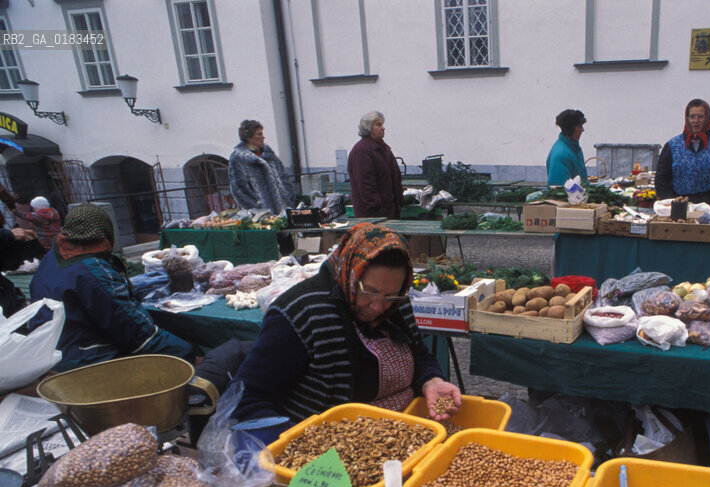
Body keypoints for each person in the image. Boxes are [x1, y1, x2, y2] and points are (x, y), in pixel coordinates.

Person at [232, 222, 461, 434]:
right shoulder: (300, 313)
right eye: (368, 291)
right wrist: (295, 444)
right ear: (349, 271)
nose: (378, 306)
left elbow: (421, 354)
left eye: (391, 296)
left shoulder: (396, 303)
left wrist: (432, 380)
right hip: (327, 450)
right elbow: (246, 397)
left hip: (407, 430)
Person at [29, 203, 195, 372]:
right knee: (183, 354)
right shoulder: (95, 272)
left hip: (45, 351)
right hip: (82, 360)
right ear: (106, 234)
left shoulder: (52, 256)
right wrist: (186, 351)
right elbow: (135, 334)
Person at [655, 99, 710, 204]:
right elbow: (662, 178)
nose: (696, 121)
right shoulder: (673, 145)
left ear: (707, 118)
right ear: (687, 118)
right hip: (679, 204)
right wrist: (671, 203)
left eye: (700, 117)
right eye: (692, 116)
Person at [228, 120, 294, 214]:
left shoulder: (268, 154)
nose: (263, 137)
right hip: (261, 215)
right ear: (248, 137)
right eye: (259, 134)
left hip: (283, 210)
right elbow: (239, 189)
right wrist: (257, 207)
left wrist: (288, 197)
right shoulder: (238, 158)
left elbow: (283, 177)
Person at [348, 111, 403, 219]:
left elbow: (394, 177)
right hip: (372, 216)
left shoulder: (384, 149)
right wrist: (376, 209)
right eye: (378, 125)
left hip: (389, 211)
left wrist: (399, 200)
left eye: (382, 124)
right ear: (368, 128)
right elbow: (365, 184)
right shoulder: (362, 151)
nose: (383, 128)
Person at [546, 109, 589, 187]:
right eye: (580, 126)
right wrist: (583, 192)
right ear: (573, 128)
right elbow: (560, 188)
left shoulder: (574, 148)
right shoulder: (561, 154)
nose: (582, 130)